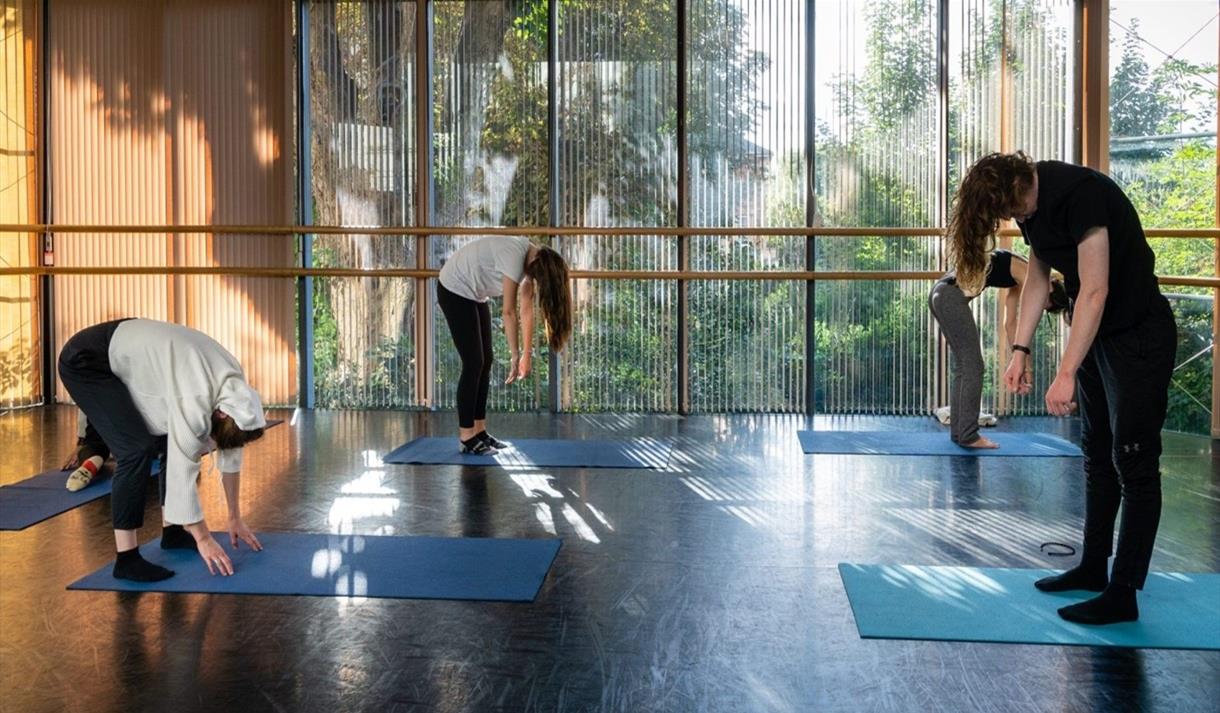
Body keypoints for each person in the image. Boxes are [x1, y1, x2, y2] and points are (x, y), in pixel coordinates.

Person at [950, 152, 1176, 625]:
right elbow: (1037, 279)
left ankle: (1124, 591)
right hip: (1099, 338)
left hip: (1138, 336)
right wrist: (1020, 350)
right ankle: (1094, 567)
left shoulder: (1081, 194)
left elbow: (1095, 289)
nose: (1015, 218)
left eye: (1015, 209)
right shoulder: (1033, 209)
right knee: (1097, 455)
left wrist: (1066, 370)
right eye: (1008, 215)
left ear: (1022, 182)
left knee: (1134, 462)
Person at [57, 319, 268, 581]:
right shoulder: (195, 396)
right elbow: (182, 470)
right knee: (135, 450)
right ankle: (127, 559)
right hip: (88, 360)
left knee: (170, 436)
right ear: (222, 415)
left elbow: (231, 451)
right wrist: (202, 537)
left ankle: (174, 532)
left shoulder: (236, 392)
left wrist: (235, 517)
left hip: (130, 354)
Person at [436, 236, 572, 454]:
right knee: (473, 362)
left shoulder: (530, 261)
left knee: (485, 361)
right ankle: (466, 436)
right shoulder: (515, 256)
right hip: (454, 288)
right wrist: (514, 354)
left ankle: (479, 430)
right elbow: (508, 311)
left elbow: (526, 312)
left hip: (474, 294)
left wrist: (527, 355)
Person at [929, 249, 1068, 448]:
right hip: (950, 296)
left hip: (940, 293)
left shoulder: (1020, 279)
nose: (1039, 304)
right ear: (1052, 285)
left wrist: (1025, 365)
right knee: (973, 366)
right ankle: (969, 436)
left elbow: (1010, 324)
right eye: (1046, 300)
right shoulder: (1029, 272)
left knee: (966, 366)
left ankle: (960, 434)